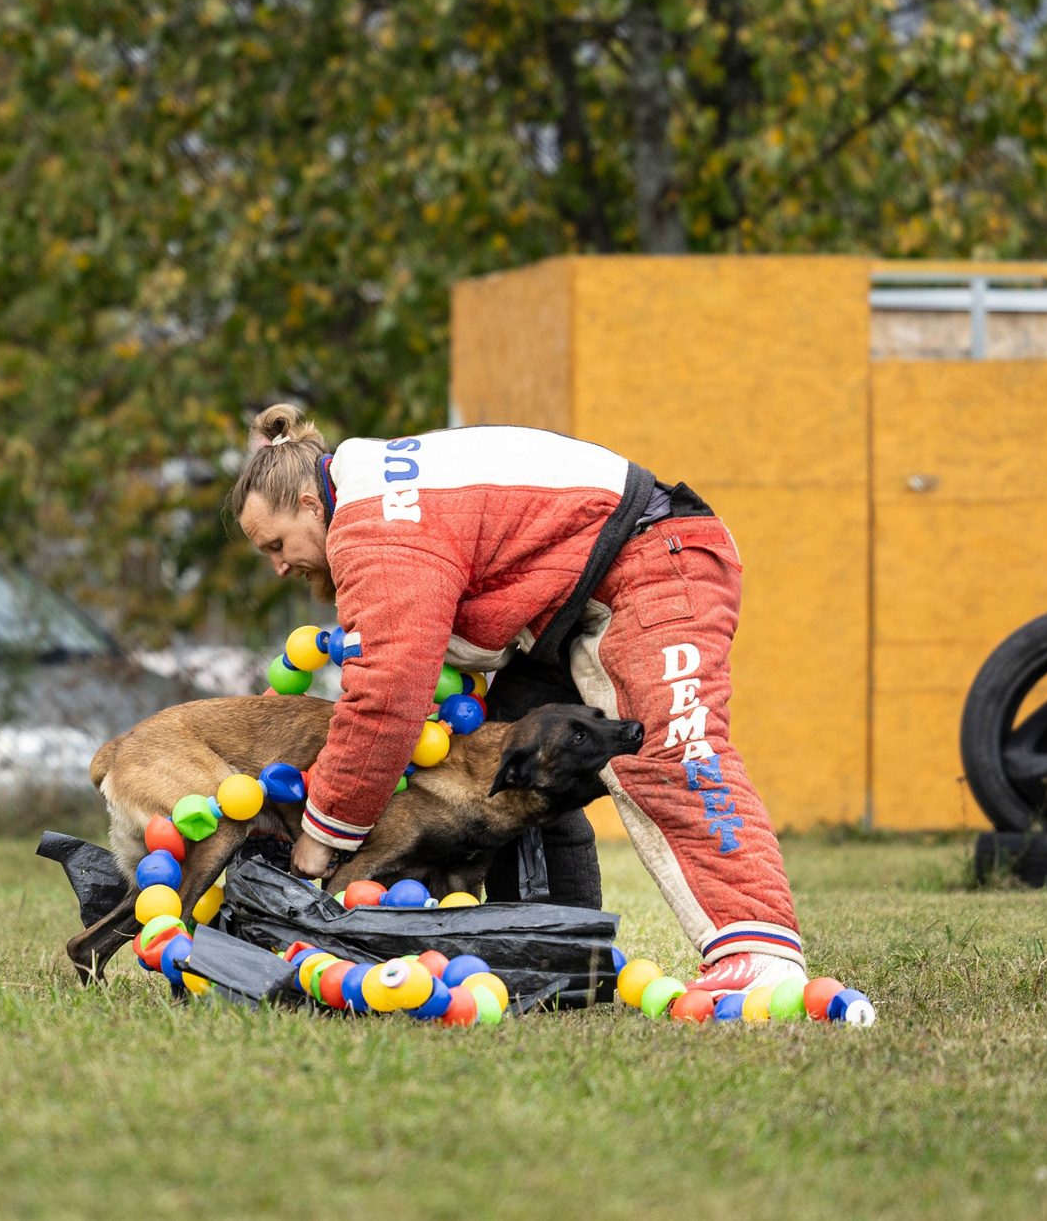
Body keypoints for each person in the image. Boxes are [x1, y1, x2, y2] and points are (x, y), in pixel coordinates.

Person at [229, 404, 805, 996]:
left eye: (276, 544)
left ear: (307, 502)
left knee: (670, 752)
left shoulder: (371, 526)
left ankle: (760, 951)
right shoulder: (376, 490)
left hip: (654, 558)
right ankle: (562, 962)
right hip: (573, 599)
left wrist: (323, 834)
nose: (278, 567)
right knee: (510, 769)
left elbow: (386, 697)